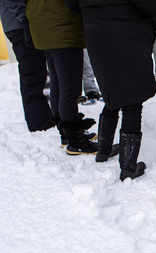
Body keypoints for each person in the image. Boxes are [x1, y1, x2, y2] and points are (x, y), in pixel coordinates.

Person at [75, 0, 156, 180]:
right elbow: (149, 5)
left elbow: (71, 5)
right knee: (132, 100)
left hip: (96, 32)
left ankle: (103, 151)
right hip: (128, 31)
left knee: (111, 91)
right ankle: (128, 168)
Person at [26, 0, 97, 155]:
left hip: (43, 28)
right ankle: (75, 141)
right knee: (70, 87)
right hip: (63, 28)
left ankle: (65, 134)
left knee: (58, 83)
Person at [0, 0, 53, 132]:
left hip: (17, 24)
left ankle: (42, 116)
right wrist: (26, 19)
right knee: (32, 72)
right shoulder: (21, 19)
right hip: (20, 26)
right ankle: (39, 122)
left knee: (37, 71)